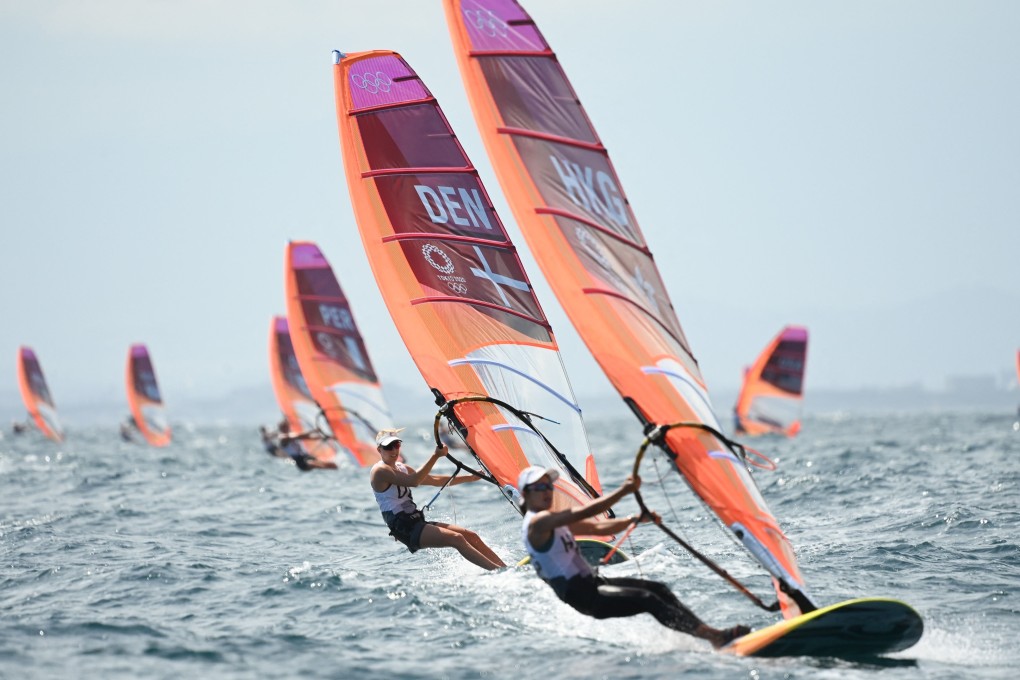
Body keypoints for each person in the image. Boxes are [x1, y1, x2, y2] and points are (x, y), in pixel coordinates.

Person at [517, 465, 750, 648]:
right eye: (539, 488)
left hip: (594, 583)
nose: (546, 492)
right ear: (525, 494)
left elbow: (599, 529)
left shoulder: (551, 522)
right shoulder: (537, 523)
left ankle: (707, 634)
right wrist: (623, 490)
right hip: (583, 596)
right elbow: (586, 511)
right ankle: (715, 637)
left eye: (548, 487)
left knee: (658, 589)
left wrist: (634, 520)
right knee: (647, 599)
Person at [370, 429, 506, 571]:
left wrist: (470, 477)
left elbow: (434, 480)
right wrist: (435, 456)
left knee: (472, 537)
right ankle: (497, 572)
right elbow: (415, 481)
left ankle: (505, 568)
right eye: (388, 447)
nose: (393, 450)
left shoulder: (402, 467)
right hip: (403, 528)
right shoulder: (379, 471)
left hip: (415, 521)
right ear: (379, 449)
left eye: (396, 445)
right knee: (457, 538)